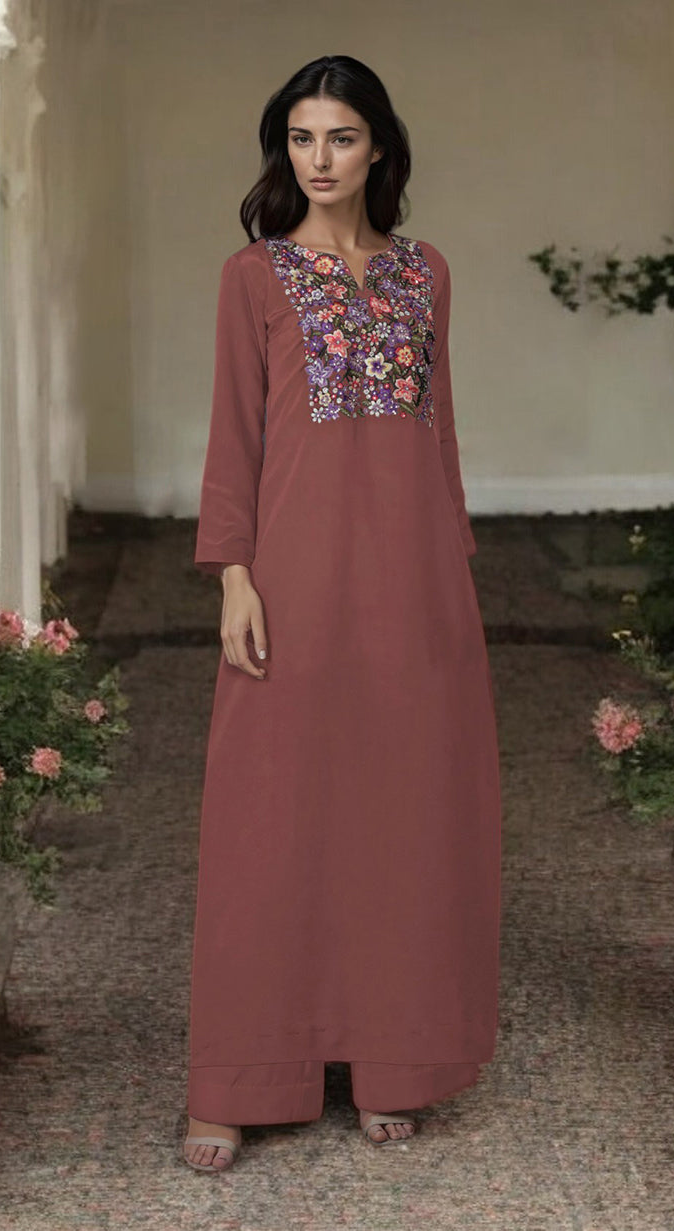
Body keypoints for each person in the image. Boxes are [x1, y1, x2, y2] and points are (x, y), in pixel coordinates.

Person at [184, 53, 502, 1173]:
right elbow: (234, 435)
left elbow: (440, 437)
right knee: (268, 818)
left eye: (341, 138)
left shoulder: (425, 273)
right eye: (301, 139)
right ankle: (239, 1077)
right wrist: (233, 574)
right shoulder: (254, 277)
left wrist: (453, 573)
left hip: (414, 582)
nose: (319, 160)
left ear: (379, 150)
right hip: (294, 581)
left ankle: (391, 1058)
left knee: (400, 816)